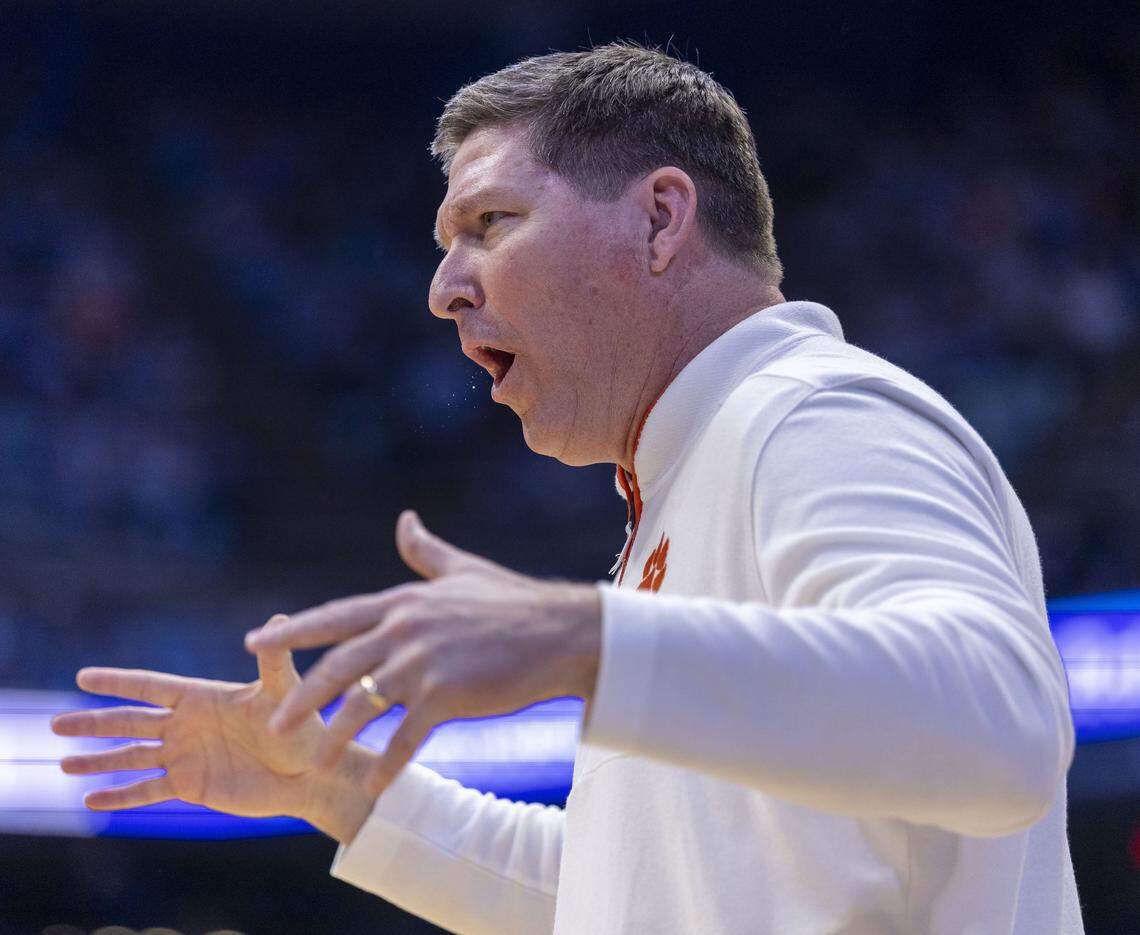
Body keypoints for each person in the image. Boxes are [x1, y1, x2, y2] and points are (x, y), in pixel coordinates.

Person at [51, 42, 1085, 934]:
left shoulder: (809, 411)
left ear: (659, 221)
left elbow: (1005, 722)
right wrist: (332, 784)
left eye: (491, 221)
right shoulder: (694, 474)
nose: (444, 287)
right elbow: (633, 897)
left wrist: (583, 641)